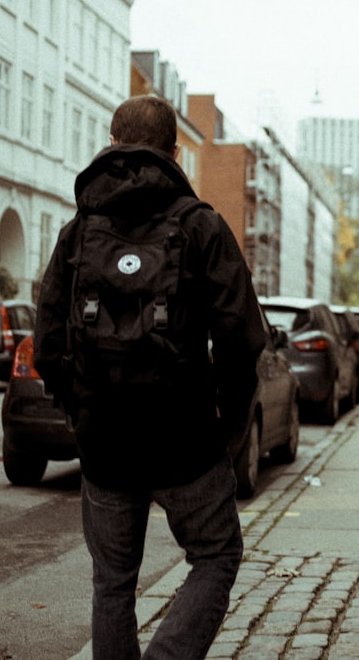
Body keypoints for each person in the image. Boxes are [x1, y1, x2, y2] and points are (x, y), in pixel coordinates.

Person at [34, 95, 265, 660]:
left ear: (112, 142)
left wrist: (82, 409)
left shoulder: (79, 231)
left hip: (105, 440)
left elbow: (47, 345)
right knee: (215, 556)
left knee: (113, 580)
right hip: (184, 437)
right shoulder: (201, 225)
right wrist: (227, 428)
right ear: (175, 150)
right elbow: (241, 339)